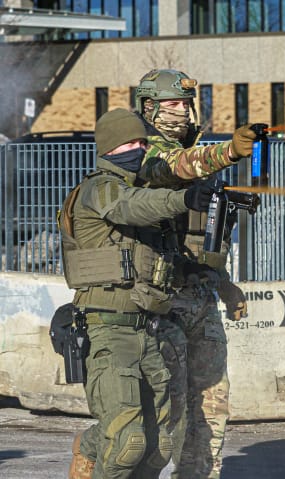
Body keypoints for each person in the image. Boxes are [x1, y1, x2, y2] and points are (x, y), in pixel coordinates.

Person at [60, 107, 216, 479]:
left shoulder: (143, 191)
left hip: (151, 327)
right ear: (111, 147)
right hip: (108, 328)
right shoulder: (99, 189)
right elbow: (133, 207)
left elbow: (164, 253)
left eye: (143, 142)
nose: (140, 148)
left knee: (159, 445)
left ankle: (95, 445)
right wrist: (181, 200)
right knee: (127, 445)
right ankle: (92, 447)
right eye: (131, 142)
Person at [135, 68, 255, 479]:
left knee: (212, 406)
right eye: (174, 102)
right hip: (160, 302)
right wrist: (230, 152)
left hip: (200, 297)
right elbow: (176, 167)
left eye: (187, 103)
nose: (183, 110)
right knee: (162, 412)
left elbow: (200, 235)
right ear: (149, 106)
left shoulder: (194, 153)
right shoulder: (142, 152)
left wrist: (223, 284)